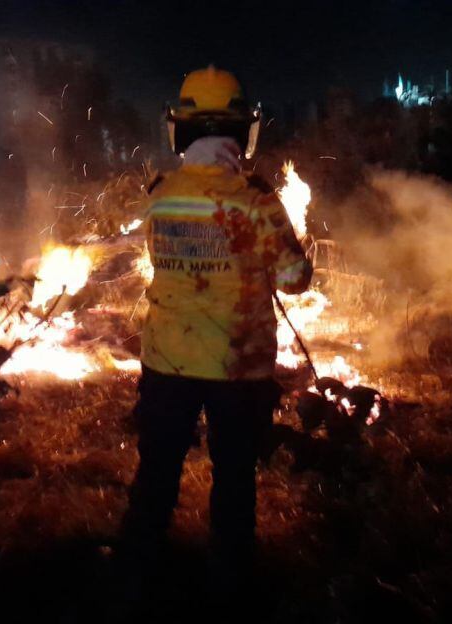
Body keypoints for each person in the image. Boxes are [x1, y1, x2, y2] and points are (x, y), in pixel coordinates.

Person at [118, 66, 313, 592]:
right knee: (233, 482)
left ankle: (134, 577)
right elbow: (295, 281)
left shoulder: (159, 195)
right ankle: (230, 584)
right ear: (242, 131)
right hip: (237, 367)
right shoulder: (256, 201)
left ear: (179, 130)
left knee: (156, 474)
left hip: (168, 363)